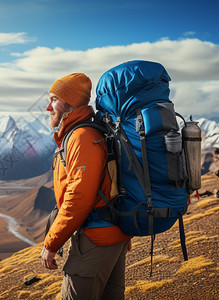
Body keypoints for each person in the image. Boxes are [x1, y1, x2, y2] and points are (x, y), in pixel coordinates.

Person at [42, 73, 132, 300]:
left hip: (95, 239)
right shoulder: (88, 131)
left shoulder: (82, 136)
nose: (47, 107)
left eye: (53, 99)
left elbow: (79, 196)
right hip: (110, 234)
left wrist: (52, 243)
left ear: (69, 102)